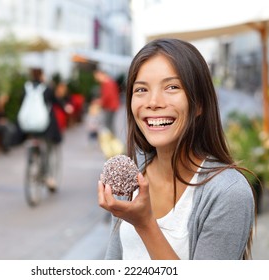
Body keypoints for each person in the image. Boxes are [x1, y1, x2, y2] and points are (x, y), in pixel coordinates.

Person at [97, 38, 256, 260]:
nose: (153, 102)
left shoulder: (228, 192)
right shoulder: (131, 175)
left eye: (172, 87)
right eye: (141, 89)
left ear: (199, 103)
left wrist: (145, 224)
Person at [19, 68, 64, 192]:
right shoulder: (46, 88)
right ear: (42, 75)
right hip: (44, 126)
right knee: (48, 149)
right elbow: (56, 102)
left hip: (28, 125)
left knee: (34, 141)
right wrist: (66, 107)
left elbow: (21, 103)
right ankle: (48, 177)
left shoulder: (26, 88)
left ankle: (33, 162)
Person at [93, 68, 120, 135]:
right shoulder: (109, 82)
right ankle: (112, 140)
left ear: (100, 75)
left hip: (110, 107)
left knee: (108, 125)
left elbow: (107, 96)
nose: (96, 79)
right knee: (109, 124)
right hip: (112, 106)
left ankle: (112, 141)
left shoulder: (107, 83)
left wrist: (100, 102)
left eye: (97, 77)